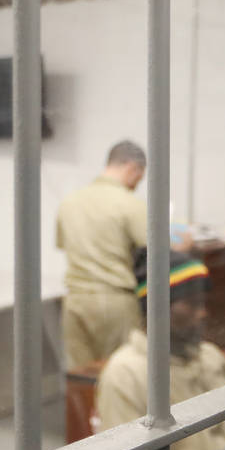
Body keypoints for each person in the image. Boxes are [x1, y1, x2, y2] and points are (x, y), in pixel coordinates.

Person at [95, 249, 225, 450]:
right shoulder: (125, 373)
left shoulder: (209, 356)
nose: (203, 313)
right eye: (192, 304)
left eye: (203, 303)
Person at [56, 140, 149, 369]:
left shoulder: (69, 202)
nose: (138, 183)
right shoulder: (130, 204)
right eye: (140, 176)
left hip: (74, 301)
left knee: (81, 378)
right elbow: (158, 247)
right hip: (114, 302)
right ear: (132, 168)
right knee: (119, 373)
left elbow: (62, 244)